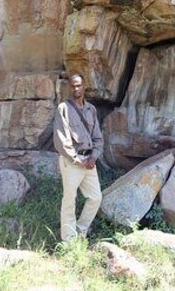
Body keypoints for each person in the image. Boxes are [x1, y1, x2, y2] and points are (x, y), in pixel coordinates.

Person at [53, 73, 103, 242]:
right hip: (72, 162)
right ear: (69, 87)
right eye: (73, 86)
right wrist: (76, 159)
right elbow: (62, 139)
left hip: (89, 161)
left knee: (96, 198)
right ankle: (68, 240)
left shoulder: (91, 109)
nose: (76, 88)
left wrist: (94, 157)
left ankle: (80, 231)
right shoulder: (63, 109)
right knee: (69, 200)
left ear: (84, 86)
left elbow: (98, 138)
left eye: (78, 85)